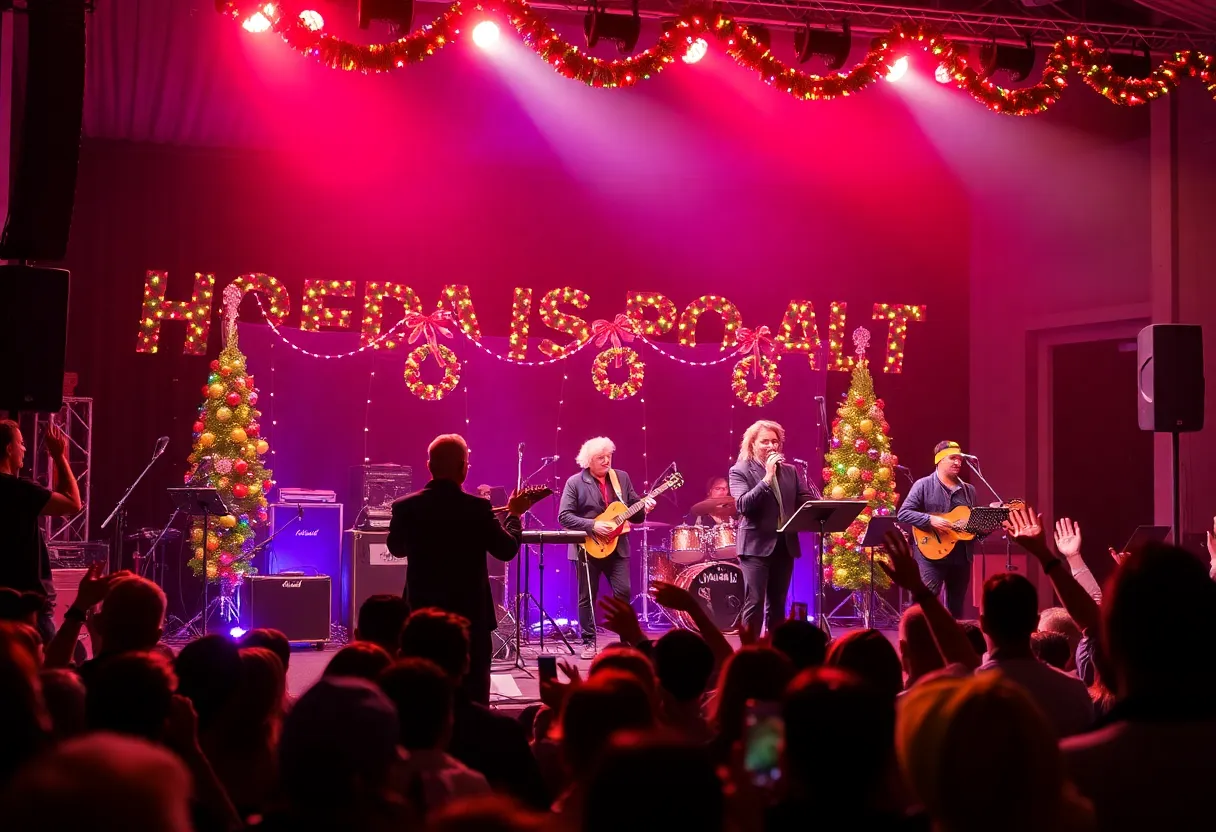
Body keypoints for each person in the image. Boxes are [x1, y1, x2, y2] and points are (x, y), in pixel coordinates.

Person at [387, 434, 529, 704]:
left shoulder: (405, 507)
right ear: (463, 467)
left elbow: (397, 548)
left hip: (422, 615)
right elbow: (507, 549)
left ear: (429, 466)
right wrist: (514, 515)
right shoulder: (478, 508)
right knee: (473, 694)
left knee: (421, 695)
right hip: (470, 617)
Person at [558, 436, 654, 660]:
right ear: (588, 461)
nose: (606, 461)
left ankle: (626, 642)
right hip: (586, 547)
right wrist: (593, 525)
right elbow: (564, 516)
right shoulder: (575, 482)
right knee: (586, 597)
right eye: (600, 458)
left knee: (623, 592)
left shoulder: (621, 478)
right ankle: (589, 642)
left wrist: (645, 507)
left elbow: (635, 514)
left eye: (608, 456)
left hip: (618, 546)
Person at [728, 420, 815, 636]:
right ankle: (750, 651)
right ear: (752, 445)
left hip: (785, 545)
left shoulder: (790, 471)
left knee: (778, 604)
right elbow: (743, 505)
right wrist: (767, 478)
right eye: (764, 441)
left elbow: (804, 499)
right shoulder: (739, 470)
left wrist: (820, 505)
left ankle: (775, 651)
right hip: (755, 546)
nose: (771, 446)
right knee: (755, 601)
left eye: (775, 442)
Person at [0, 420, 82, 643]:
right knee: (51, 667)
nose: (25, 448)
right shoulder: (19, 490)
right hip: (28, 604)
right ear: (9, 449)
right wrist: (59, 456)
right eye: (21, 443)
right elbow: (73, 504)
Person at [896, 440, 978, 618]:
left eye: (960, 459)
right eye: (953, 458)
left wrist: (985, 524)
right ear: (939, 460)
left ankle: (952, 643)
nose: (958, 462)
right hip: (930, 556)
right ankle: (918, 639)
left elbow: (970, 523)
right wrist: (930, 519)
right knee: (923, 604)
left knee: (956, 607)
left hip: (961, 556)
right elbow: (903, 513)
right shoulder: (923, 485)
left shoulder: (969, 490)